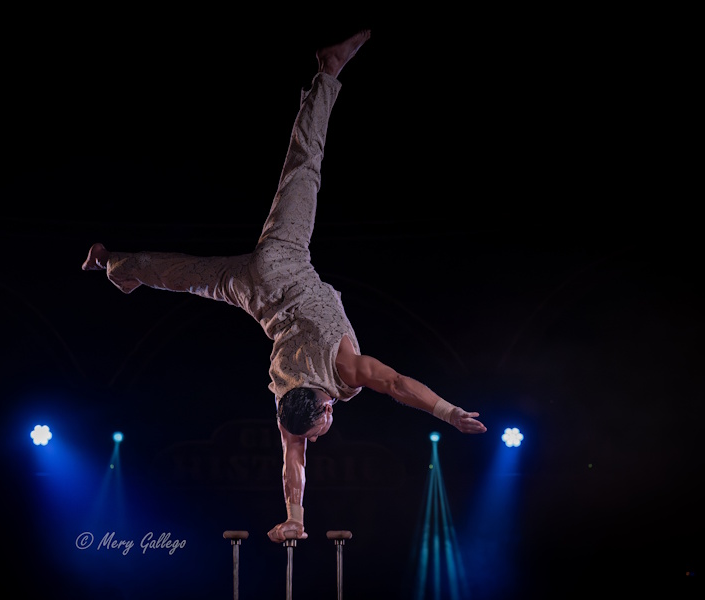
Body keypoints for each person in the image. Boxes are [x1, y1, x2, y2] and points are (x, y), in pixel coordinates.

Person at [82, 29, 487, 543]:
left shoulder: (346, 371)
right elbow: (291, 462)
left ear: (320, 406)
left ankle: (328, 72)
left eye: (319, 428)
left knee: (304, 169)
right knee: (185, 277)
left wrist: (450, 414)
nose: (319, 434)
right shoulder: (286, 406)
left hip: (283, 261)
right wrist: (294, 518)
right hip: (254, 294)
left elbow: (399, 385)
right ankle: (115, 265)